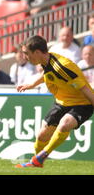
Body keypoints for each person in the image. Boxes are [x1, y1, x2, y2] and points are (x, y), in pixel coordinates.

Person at [16, 35, 94, 168]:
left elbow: (85, 89)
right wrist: (32, 84)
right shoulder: (46, 60)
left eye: (26, 54)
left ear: (37, 52)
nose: (25, 57)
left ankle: (41, 157)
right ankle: (36, 163)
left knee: (64, 124)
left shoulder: (63, 67)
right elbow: (47, 73)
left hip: (83, 102)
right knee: (41, 136)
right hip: (62, 102)